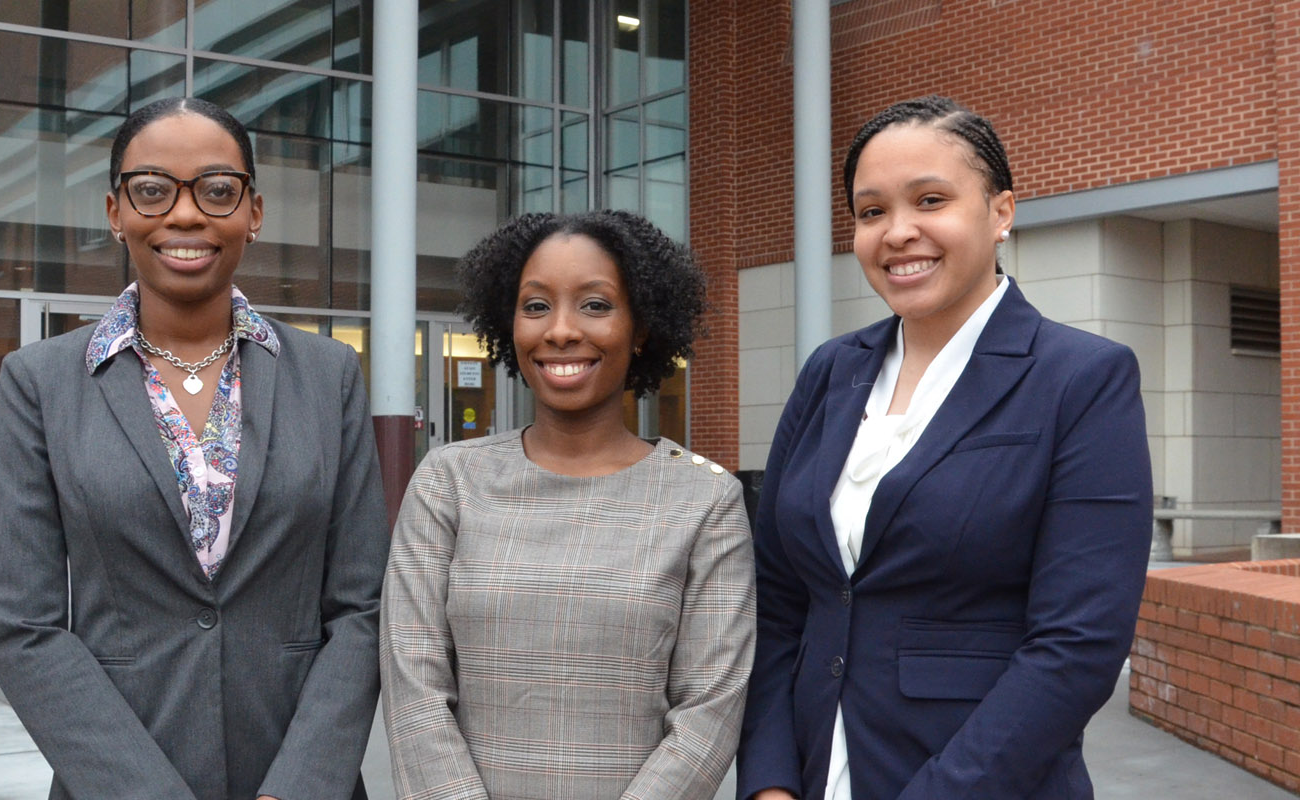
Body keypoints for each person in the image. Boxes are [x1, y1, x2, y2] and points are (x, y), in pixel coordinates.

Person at [736, 96, 1152, 800]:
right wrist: (771, 781)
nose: (898, 232)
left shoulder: (1081, 378)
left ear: (1001, 212)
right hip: (814, 773)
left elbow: (1077, 646)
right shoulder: (830, 371)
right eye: (871, 213)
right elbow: (781, 603)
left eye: (930, 200)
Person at [0, 96, 388, 800]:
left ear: (253, 212)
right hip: (114, 777)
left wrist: (300, 785)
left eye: (217, 189)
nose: (186, 213)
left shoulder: (328, 377)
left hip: (296, 771)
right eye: (151, 189)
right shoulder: (41, 382)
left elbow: (362, 608)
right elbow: (26, 627)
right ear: (115, 211)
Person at [380, 209, 756, 799]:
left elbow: (709, 710)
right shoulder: (448, 482)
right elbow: (413, 689)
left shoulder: (705, 499)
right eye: (535, 306)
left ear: (641, 328)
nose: (559, 330)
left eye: (595, 305)